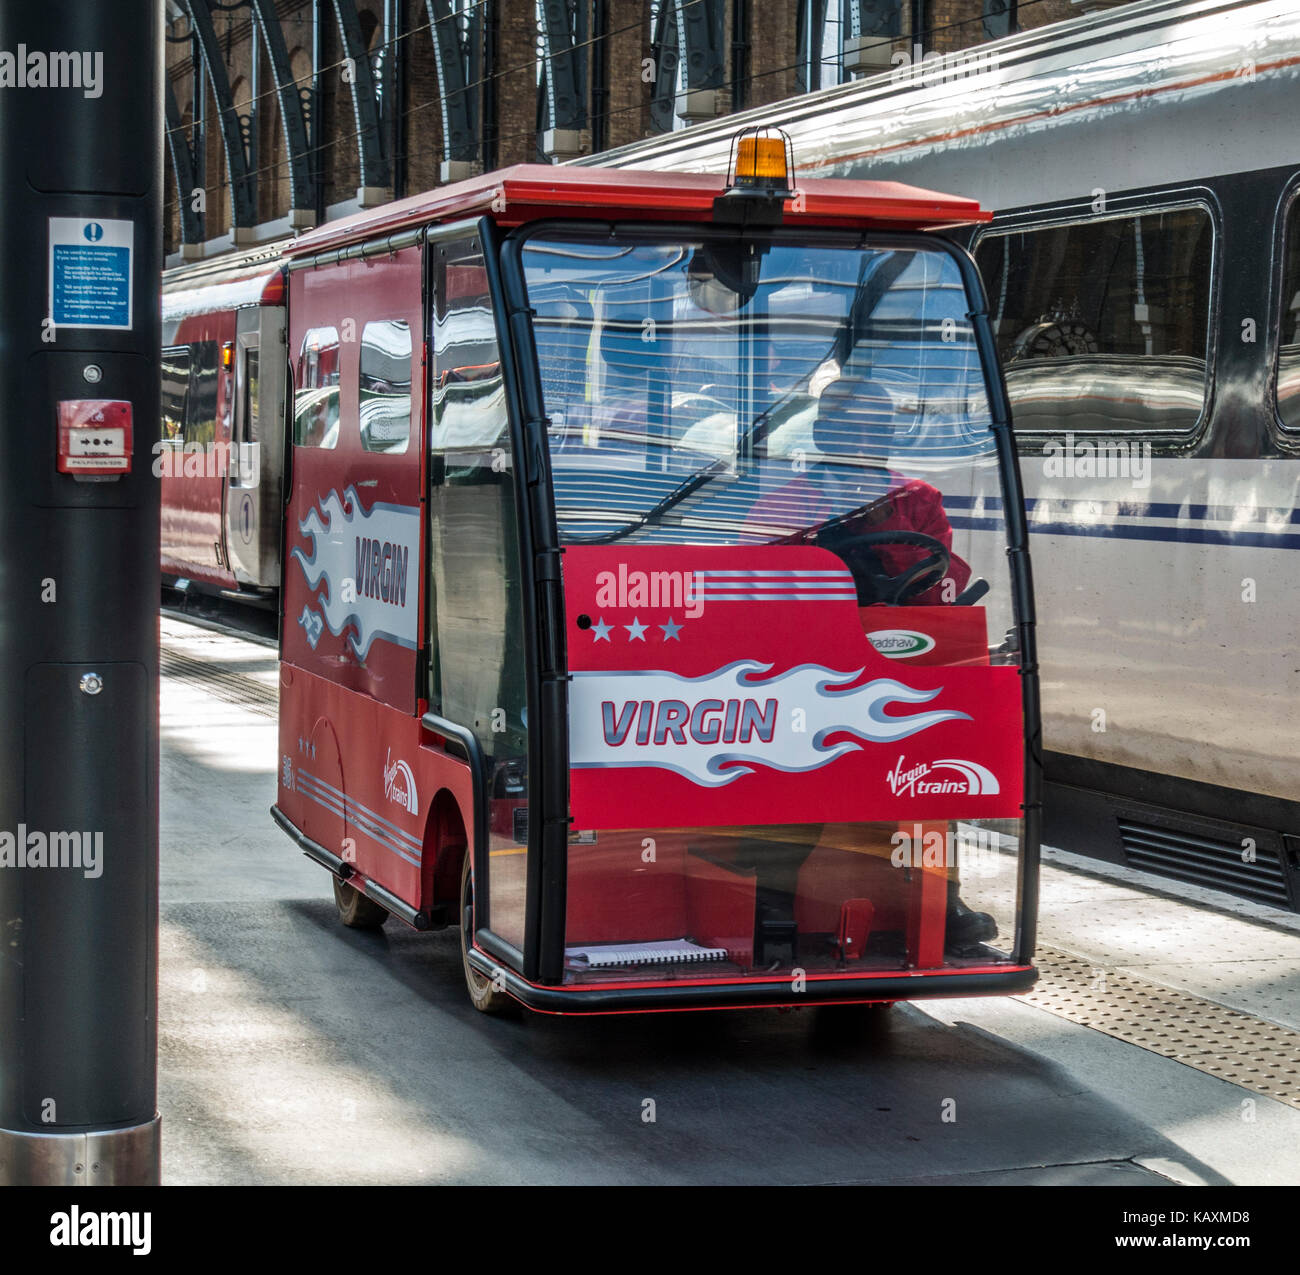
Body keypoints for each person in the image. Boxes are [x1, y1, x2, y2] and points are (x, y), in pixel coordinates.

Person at [750, 375, 971, 605]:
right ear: (821, 434)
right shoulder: (778, 507)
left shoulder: (920, 499)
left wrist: (886, 521)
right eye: (850, 431)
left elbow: (943, 594)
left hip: (899, 632)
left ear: (890, 436)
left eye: (877, 432)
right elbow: (758, 594)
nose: (864, 446)